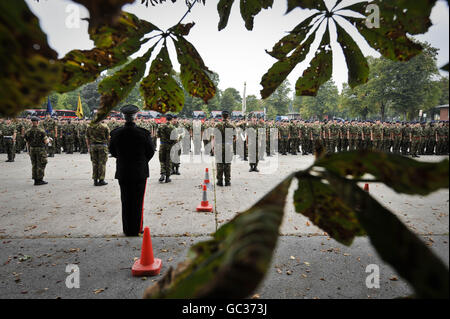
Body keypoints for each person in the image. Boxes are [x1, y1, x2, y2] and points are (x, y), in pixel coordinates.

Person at [109, 105, 155, 236]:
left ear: (123, 117)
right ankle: (136, 229)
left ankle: (127, 229)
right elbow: (150, 152)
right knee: (137, 201)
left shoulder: (116, 133)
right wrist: (141, 161)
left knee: (125, 200)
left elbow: (112, 151)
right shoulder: (143, 133)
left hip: (123, 171)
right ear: (136, 116)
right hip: (139, 172)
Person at [24, 117, 49, 185]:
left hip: (32, 149)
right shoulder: (41, 131)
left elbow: (27, 142)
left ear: (31, 122)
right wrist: (49, 140)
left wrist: (28, 150)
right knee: (41, 163)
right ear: (37, 122)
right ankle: (39, 179)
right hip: (40, 149)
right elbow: (46, 141)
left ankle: (35, 179)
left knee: (34, 164)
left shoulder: (28, 131)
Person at [213, 111, 235, 186]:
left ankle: (219, 181)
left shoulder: (217, 125)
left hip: (219, 145)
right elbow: (235, 137)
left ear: (222, 116)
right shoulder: (231, 125)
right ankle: (227, 181)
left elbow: (214, 137)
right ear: (228, 116)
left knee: (219, 163)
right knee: (227, 164)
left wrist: (214, 146)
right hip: (228, 146)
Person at [86, 119, 110, 186]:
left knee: (94, 163)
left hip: (93, 146)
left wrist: (88, 147)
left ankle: (95, 180)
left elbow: (87, 138)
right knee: (102, 163)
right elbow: (108, 138)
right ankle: (101, 179)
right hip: (102, 146)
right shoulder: (104, 126)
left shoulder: (89, 127)